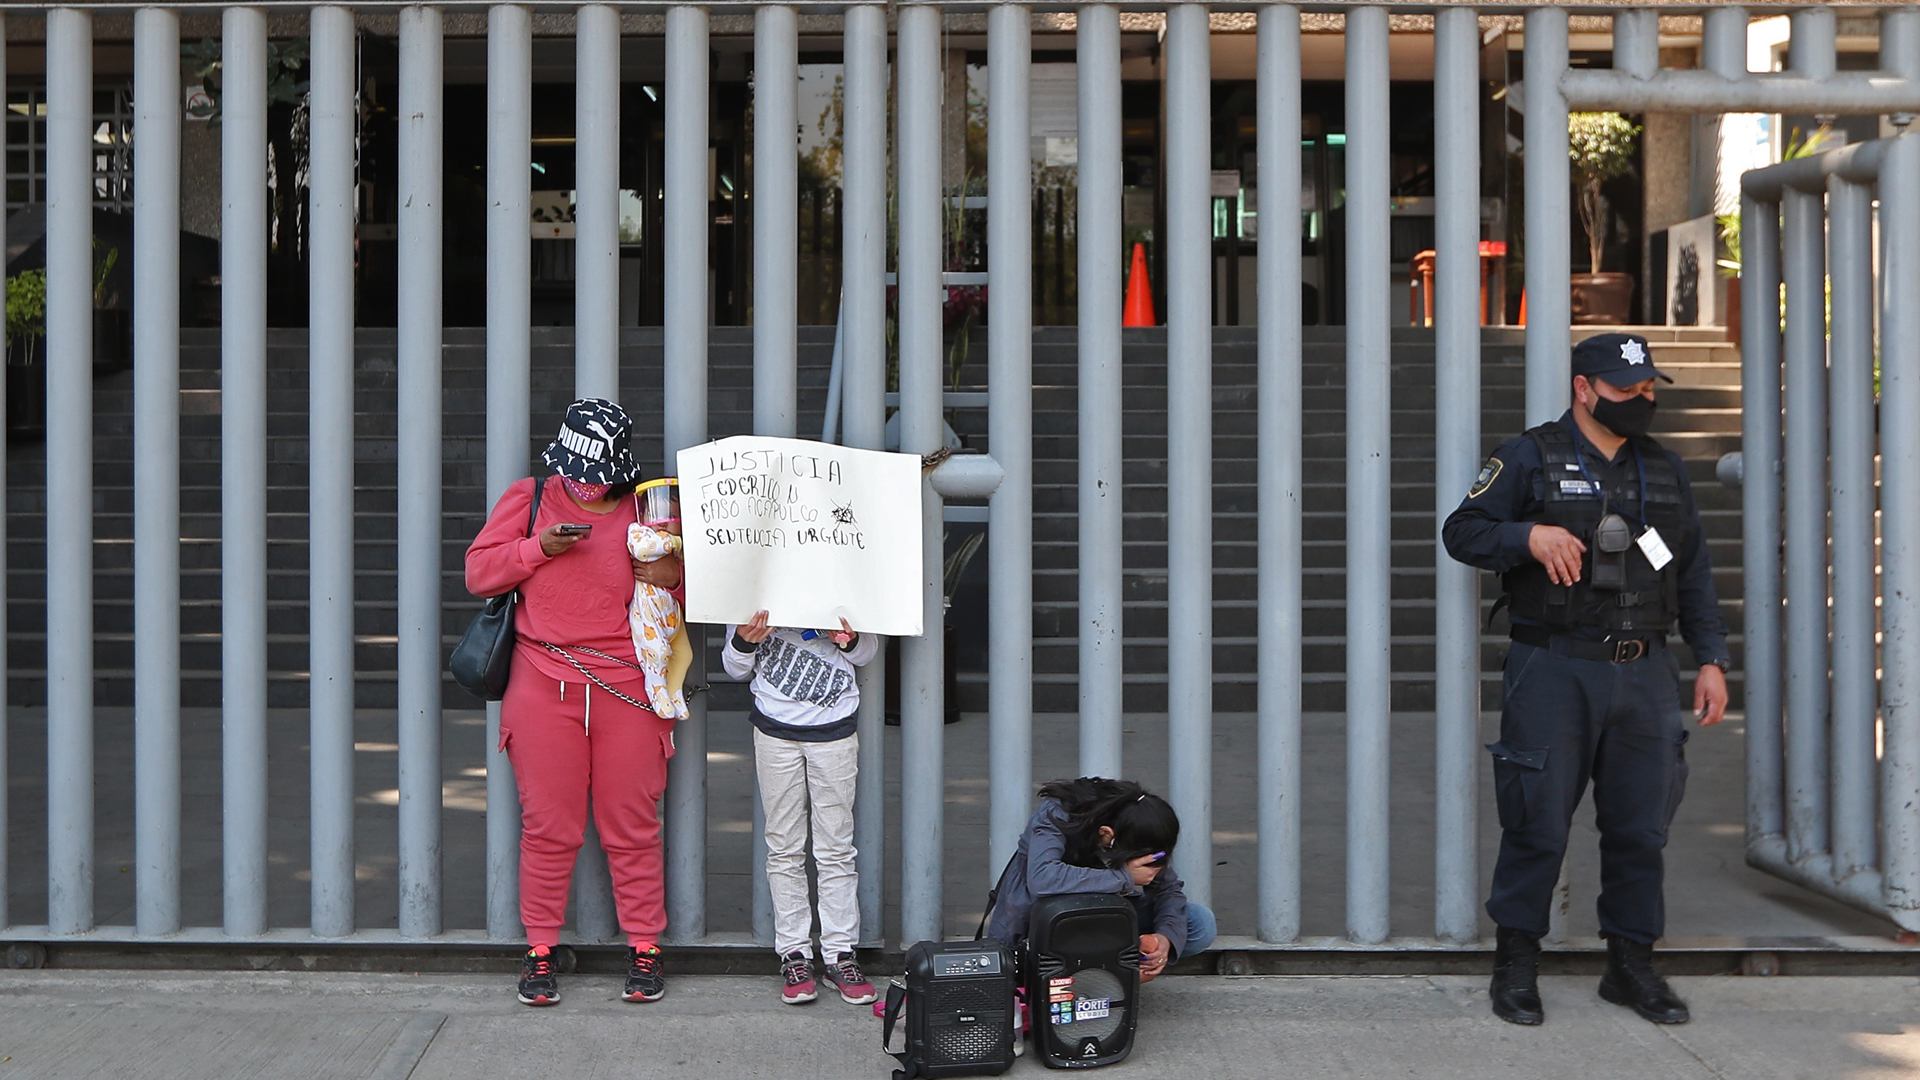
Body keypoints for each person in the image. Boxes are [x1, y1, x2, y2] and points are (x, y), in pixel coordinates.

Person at [1442, 333, 1732, 1028]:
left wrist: (1712, 657)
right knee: (1536, 823)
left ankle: (1629, 966)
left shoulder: (1662, 468)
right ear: (1583, 387)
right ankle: (1516, 964)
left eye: (1646, 388)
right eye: (1626, 389)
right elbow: (1464, 531)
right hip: (1555, 667)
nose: (1642, 400)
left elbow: (1690, 569)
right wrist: (1528, 538)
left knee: (1640, 830)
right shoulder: (1529, 456)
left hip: (1646, 673)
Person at [465, 398, 686, 1007]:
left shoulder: (650, 504)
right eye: (574, 470)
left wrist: (670, 575)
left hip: (628, 687)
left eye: (597, 473)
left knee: (632, 826)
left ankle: (646, 948)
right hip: (542, 683)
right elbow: (479, 573)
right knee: (548, 827)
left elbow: (687, 587)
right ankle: (539, 951)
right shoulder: (531, 496)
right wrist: (540, 548)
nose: (584, 484)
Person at [722, 609, 881, 1006]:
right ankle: (794, 953)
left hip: (835, 730)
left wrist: (849, 638)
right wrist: (745, 638)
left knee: (836, 847)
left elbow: (868, 653)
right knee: (784, 846)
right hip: (775, 730)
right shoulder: (751, 590)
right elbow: (734, 665)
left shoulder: (840, 584)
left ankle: (840, 953)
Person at [986, 778, 1216, 987]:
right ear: (1107, 834)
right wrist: (1124, 877)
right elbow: (1042, 879)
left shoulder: (1137, 825)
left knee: (1199, 923)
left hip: (1104, 916)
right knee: (1016, 973)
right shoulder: (1059, 812)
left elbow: (1168, 888)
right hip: (1043, 921)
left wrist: (1164, 939)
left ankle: (1110, 969)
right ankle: (1095, 972)